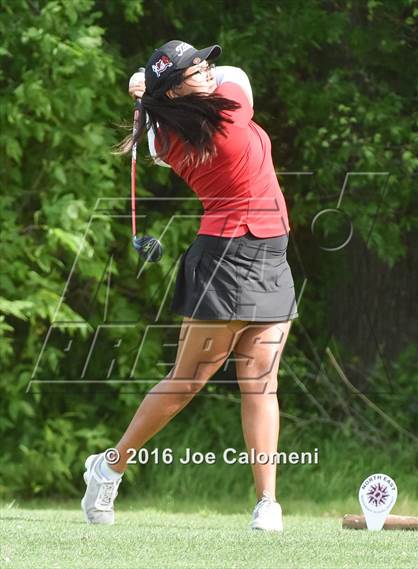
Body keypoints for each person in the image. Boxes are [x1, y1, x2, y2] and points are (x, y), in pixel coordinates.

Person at [81, 40, 299, 532]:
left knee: (262, 382)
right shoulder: (231, 110)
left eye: (205, 63)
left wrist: (146, 89)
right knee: (187, 381)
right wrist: (146, 84)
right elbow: (239, 74)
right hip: (225, 258)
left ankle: (268, 504)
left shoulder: (161, 137)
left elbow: (154, 130)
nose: (210, 69)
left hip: (269, 252)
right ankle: (109, 466)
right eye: (196, 69)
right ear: (177, 89)